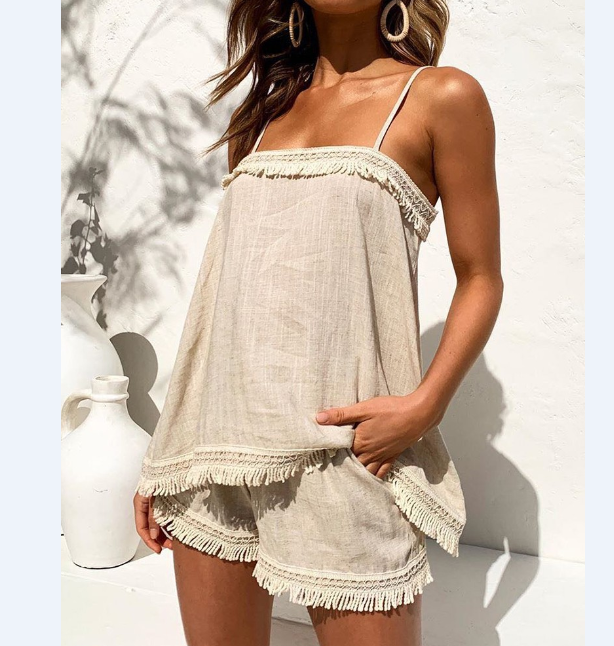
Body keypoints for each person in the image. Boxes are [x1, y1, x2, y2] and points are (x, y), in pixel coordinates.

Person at [133, 1, 502, 644]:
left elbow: (482, 278)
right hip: (216, 452)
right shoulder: (262, 115)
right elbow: (221, 299)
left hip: (347, 456)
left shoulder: (441, 97)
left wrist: (424, 407)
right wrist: (165, 453)